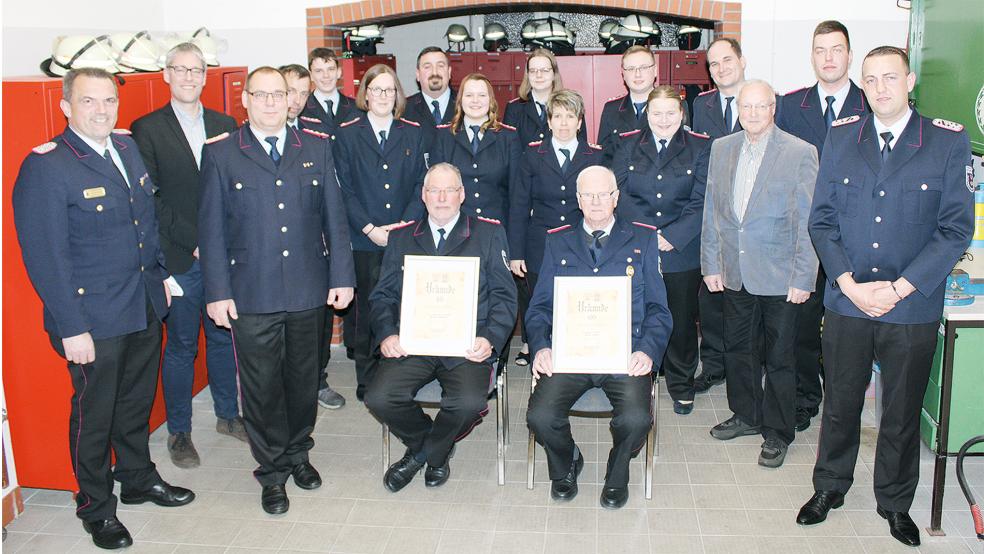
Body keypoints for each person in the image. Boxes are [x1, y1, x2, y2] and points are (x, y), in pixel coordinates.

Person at [798, 46, 973, 548]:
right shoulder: (841, 137)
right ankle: (829, 487)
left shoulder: (944, 142)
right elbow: (822, 220)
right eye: (870, 80)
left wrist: (900, 287)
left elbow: (956, 228)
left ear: (910, 80)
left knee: (900, 411)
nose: (880, 89)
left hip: (912, 305)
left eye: (889, 78)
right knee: (841, 404)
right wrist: (849, 284)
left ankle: (895, 502)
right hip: (849, 300)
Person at [13, 67, 195, 550]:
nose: (101, 111)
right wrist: (71, 327)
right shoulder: (47, 167)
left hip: (142, 305)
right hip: (93, 320)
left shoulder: (126, 147)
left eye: (108, 101)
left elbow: (147, 221)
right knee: (94, 414)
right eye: (89, 102)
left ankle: (136, 477)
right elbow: (46, 257)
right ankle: (95, 505)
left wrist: (162, 277)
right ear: (67, 107)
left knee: (135, 404)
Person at [198, 66, 356, 515]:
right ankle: (271, 472)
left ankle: (298, 454)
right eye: (261, 95)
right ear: (244, 100)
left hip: (308, 289)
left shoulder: (317, 148)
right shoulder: (223, 153)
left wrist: (342, 277)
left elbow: (334, 219)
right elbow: (210, 231)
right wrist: (217, 291)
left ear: (291, 99)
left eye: (279, 94)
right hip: (251, 293)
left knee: (303, 381)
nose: (270, 103)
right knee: (263, 387)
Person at [525, 166, 672, 509]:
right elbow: (539, 308)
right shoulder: (557, 239)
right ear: (577, 199)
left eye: (602, 194)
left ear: (615, 198)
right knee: (540, 416)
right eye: (587, 195)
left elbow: (659, 310)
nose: (595, 201)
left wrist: (648, 352)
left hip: (624, 355)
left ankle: (617, 471)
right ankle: (566, 464)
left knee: (636, 419)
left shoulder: (643, 239)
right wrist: (542, 346)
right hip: (569, 355)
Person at [365, 163, 518, 492]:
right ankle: (433, 449)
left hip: (466, 345)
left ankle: (424, 455)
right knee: (378, 397)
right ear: (424, 195)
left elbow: (506, 297)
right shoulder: (402, 236)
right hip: (413, 344)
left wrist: (489, 339)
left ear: (462, 195)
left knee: (467, 403)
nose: (442, 197)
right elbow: (383, 296)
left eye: (450, 189)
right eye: (435, 190)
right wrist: (388, 334)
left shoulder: (489, 233)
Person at [131, 43, 245, 470]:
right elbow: (152, 199)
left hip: (222, 257)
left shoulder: (225, 122)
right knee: (180, 346)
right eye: (180, 70)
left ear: (204, 75)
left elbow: (234, 186)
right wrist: (197, 241)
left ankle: (228, 416)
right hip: (180, 259)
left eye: (196, 70)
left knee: (222, 338)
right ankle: (179, 432)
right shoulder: (147, 128)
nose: (188, 77)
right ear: (166, 75)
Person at [701, 80, 819, 468]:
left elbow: (807, 221)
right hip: (735, 273)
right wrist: (711, 264)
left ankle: (778, 431)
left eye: (760, 106)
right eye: (745, 106)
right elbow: (712, 212)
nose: (751, 113)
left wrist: (804, 277)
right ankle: (747, 415)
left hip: (780, 276)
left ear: (773, 109)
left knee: (781, 357)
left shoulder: (800, 153)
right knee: (738, 350)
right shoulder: (721, 148)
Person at [776, 20, 869, 433]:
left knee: (850, 328)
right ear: (811, 56)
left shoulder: (873, 105)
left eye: (836, 49)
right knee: (801, 324)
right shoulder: (791, 106)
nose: (828, 57)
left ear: (849, 55)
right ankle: (804, 397)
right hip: (805, 236)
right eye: (820, 50)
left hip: (860, 238)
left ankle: (844, 402)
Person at [613, 85, 711, 414]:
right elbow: (619, 193)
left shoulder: (699, 146)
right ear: (647, 115)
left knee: (681, 320)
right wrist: (645, 235)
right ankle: (635, 379)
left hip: (679, 249)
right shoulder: (627, 144)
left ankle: (682, 383)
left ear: (682, 115)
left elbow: (701, 200)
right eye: (657, 113)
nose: (664, 119)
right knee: (635, 316)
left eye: (671, 113)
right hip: (636, 247)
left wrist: (671, 236)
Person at [334, 64, 427, 401]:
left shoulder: (413, 133)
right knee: (367, 312)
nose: (383, 96)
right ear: (366, 95)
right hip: (364, 239)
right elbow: (343, 188)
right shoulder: (346, 134)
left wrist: (402, 227)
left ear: (397, 95)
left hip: (405, 237)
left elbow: (421, 184)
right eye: (377, 90)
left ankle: (402, 375)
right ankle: (366, 377)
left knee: (404, 307)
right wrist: (370, 228)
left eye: (390, 90)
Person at [508, 89, 605, 367]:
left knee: (577, 302)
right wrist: (516, 252)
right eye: (557, 116)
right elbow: (518, 205)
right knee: (542, 302)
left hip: (582, 244)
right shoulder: (532, 154)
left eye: (570, 116)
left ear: (579, 121)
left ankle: (577, 357)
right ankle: (543, 357)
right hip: (540, 243)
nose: (563, 123)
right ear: (548, 121)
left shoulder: (595, 155)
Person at [280, 62, 347, 410]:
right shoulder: (248, 137)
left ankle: (317, 381)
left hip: (312, 248)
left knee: (318, 324)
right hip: (274, 251)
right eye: (291, 91)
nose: (296, 100)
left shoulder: (315, 137)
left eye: (303, 93)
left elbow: (329, 199)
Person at [690, 37, 749, 394]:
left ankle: (744, 365)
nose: (721, 68)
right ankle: (713, 366)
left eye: (727, 60)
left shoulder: (761, 100)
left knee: (744, 298)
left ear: (742, 61)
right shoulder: (701, 104)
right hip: (712, 213)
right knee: (710, 297)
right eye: (714, 64)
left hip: (750, 217)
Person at [429, 73, 522, 225]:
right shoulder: (444, 137)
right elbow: (436, 189)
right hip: (455, 229)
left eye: (482, 95)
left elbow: (517, 195)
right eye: (469, 95)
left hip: (497, 229)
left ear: (491, 100)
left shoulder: (508, 137)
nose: (475, 101)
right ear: (460, 100)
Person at [504, 48, 587, 147]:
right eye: (533, 71)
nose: (539, 75)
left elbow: (581, 149)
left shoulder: (571, 105)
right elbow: (507, 150)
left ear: (554, 74)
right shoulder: (514, 109)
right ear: (528, 75)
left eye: (545, 70)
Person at [597, 45, 658, 160]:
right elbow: (604, 157)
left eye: (644, 67)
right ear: (623, 74)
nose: (637, 74)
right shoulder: (611, 109)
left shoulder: (672, 106)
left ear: (655, 70)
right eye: (630, 69)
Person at [402, 46, 456, 152]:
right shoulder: (403, 110)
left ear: (449, 72)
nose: (434, 72)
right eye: (427, 67)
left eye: (440, 66)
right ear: (417, 74)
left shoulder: (466, 106)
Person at [300, 48, 358, 141]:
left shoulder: (356, 108)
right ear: (311, 75)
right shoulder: (302, 109)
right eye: (319, 71)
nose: (326, 75)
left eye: (330, 69)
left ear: (339, 72)